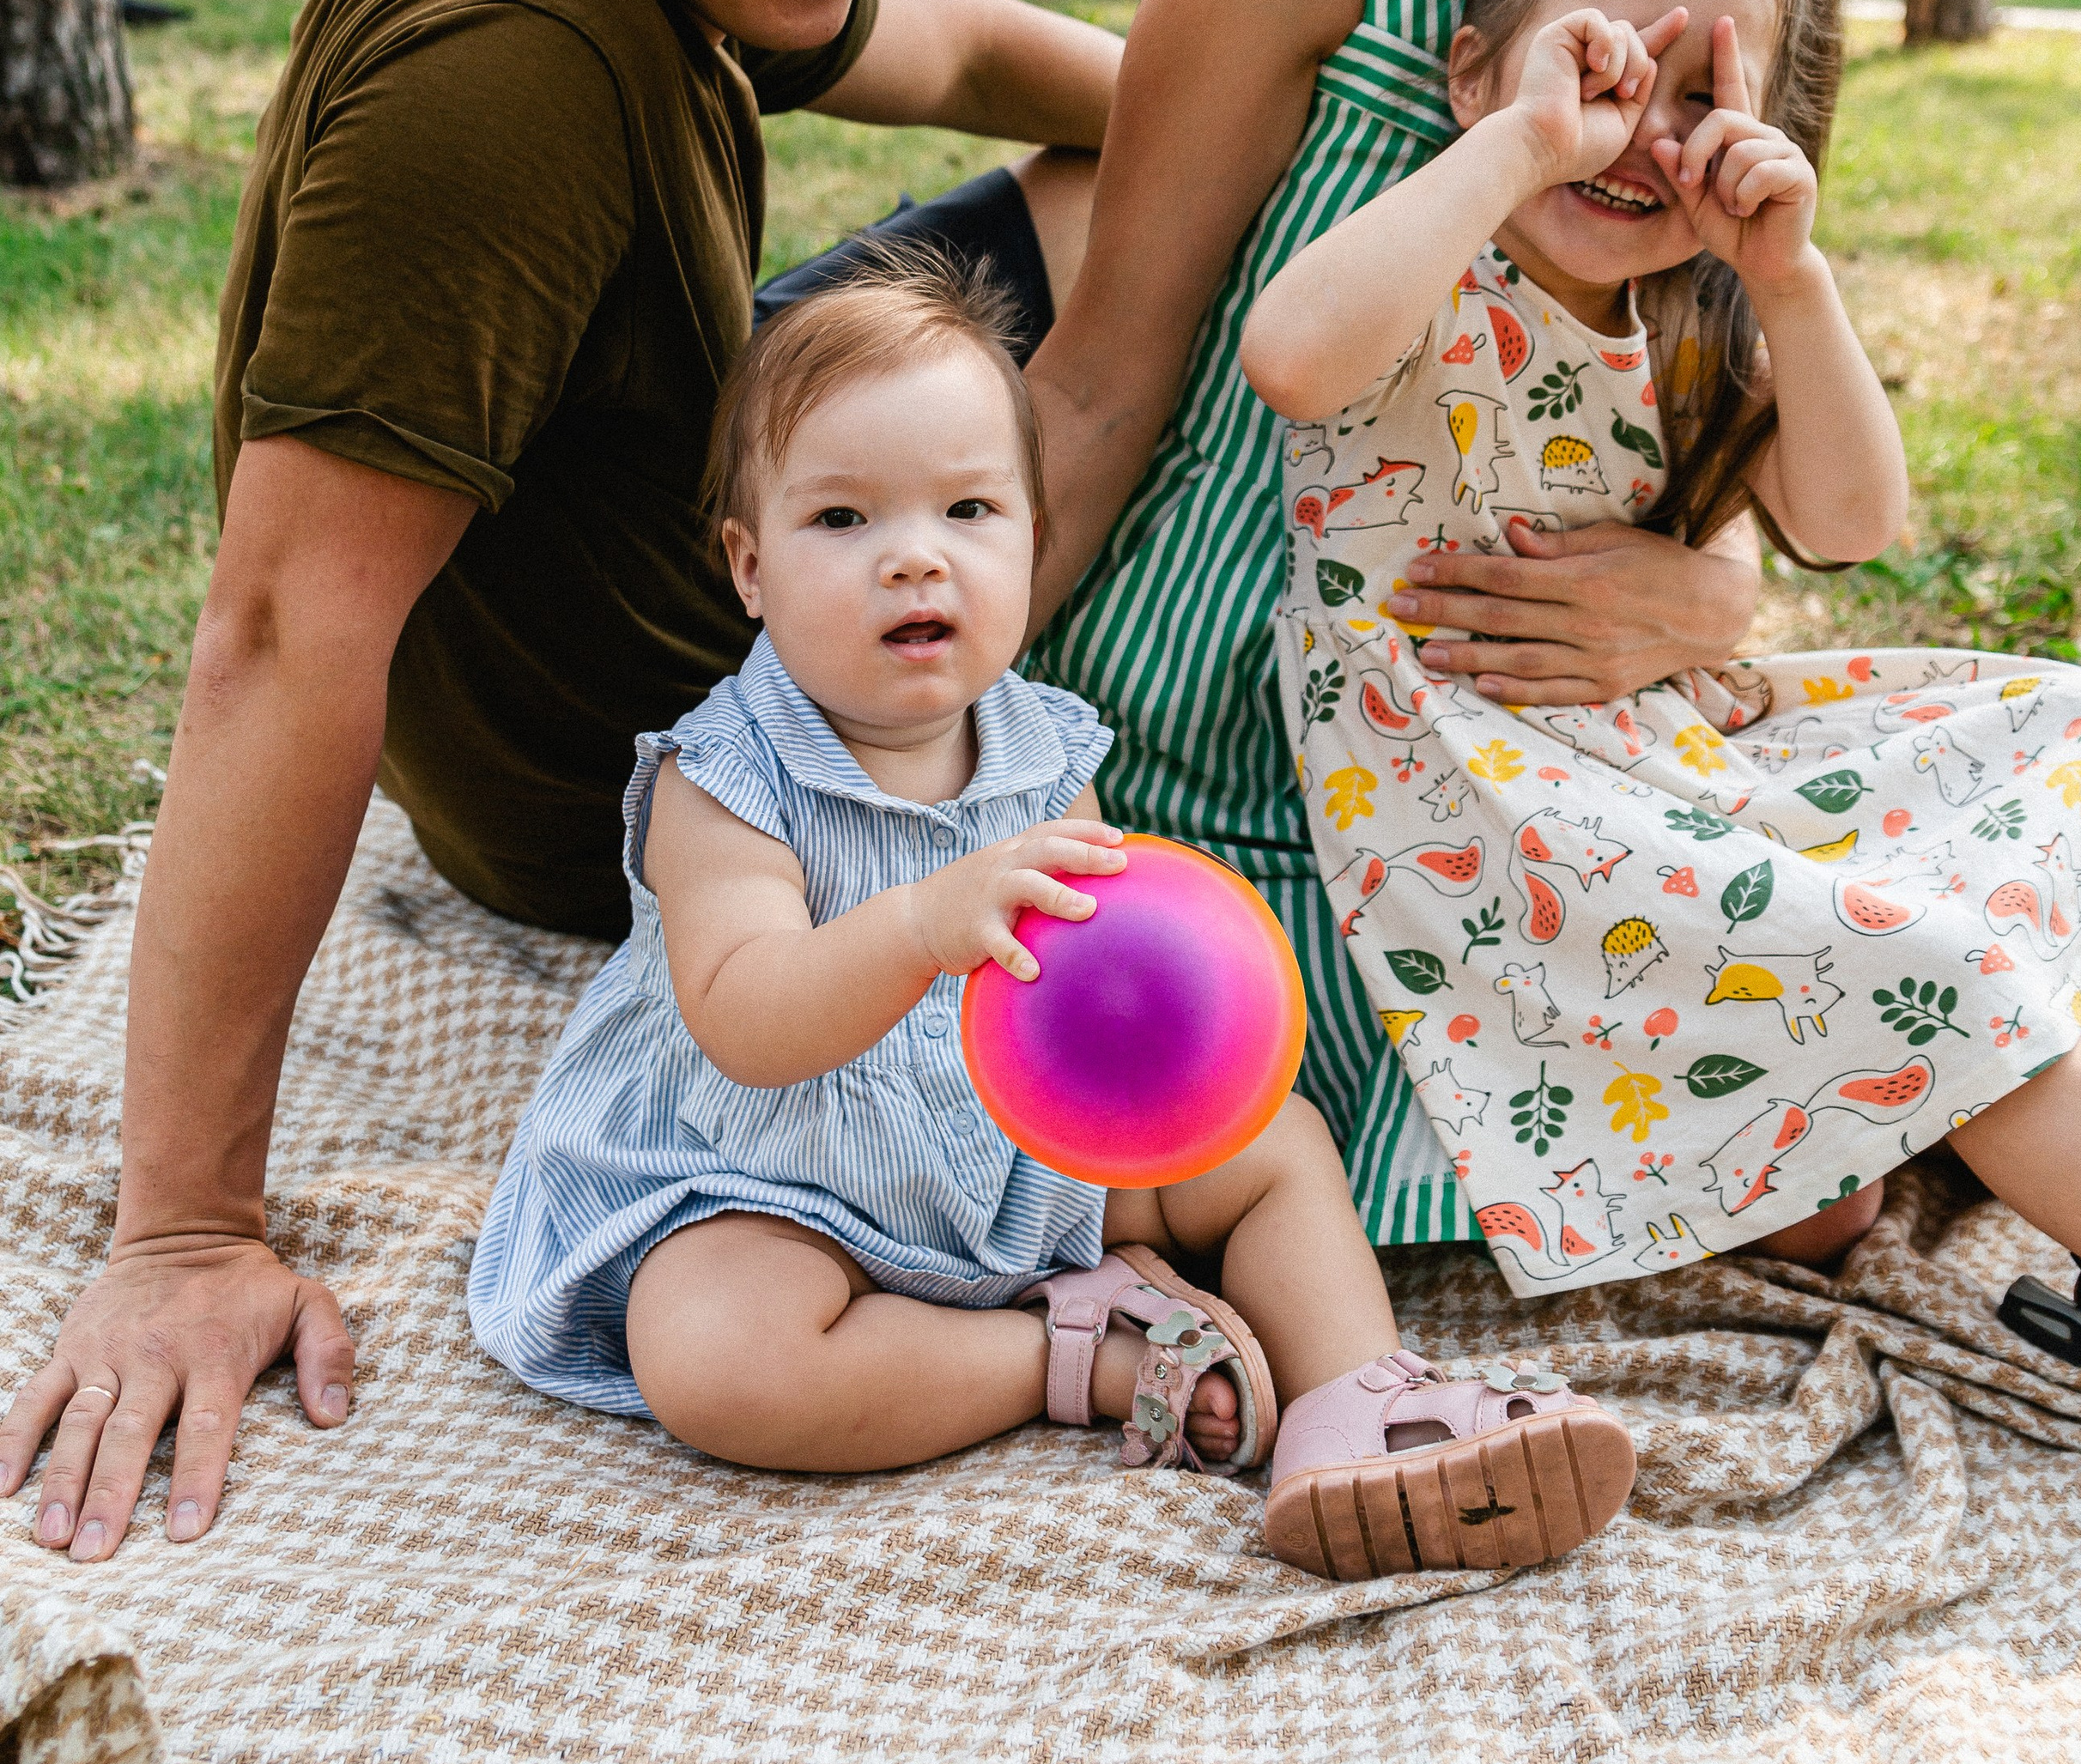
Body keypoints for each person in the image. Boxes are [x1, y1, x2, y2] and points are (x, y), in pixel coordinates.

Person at [2, 0, 1123, 1564]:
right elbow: (279, 625)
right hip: (698, 769)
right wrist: (182, 1229)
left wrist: (1201, 92)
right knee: (1175, 274)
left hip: (678, 458)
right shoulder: (513, 65)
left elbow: (945, 42)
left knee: (1126, 182)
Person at [1018, 0, 1891, 1250]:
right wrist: (895, 775)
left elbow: (1690, 482)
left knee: (1927, 1025)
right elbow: (1097, 387)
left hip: (1505, 794)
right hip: (1214, 745)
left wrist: (1710, 592)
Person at [469, 258, 1640, 1577]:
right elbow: (747, 1017)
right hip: (769, 1177)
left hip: (1006, 1144)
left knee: (1274, 1142)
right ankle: (1060, 1358)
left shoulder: (1042, 749)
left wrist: (1176, 1057)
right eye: (844, 519)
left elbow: (1090, 982)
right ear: (750, 565)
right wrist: (923, 925)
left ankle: (1358, 1399)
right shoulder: (723, 779)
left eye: (968, 507)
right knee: (713, 1357)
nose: (916, 553)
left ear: (1028, 534)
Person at [1236, 0, 2081, 1418]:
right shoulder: (1428, 257)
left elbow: (1853, 519)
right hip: (1499, 828)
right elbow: (1290, 353)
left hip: (1661, 763)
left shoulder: (1695, 312)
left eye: (1695, 96)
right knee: (1927, 975)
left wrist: (1792, 275)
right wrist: (1517, 142)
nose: (1636, 134)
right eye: (1602, 66)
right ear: (1476, 69)